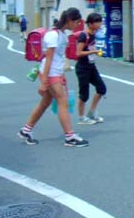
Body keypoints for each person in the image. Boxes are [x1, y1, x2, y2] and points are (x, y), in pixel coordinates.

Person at [17, 8, 89, 147]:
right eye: (77, 22)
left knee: (45, 102)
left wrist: (61, 75)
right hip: (50, 73)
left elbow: (57, 58)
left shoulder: (61, 34)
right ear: (69, 20)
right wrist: (44, 82)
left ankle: (26, 130)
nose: (77, 25)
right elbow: (48, 58)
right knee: (63, 102)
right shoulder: (53, 35)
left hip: (54, 72)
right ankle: (69, 136)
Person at [75, 13, 107, 125]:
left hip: (91, 66)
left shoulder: (95, 34)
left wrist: (96, 52)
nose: (100, 24)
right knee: (84, 94)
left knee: (101, 88)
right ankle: (81, 118)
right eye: (97, 22)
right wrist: (94, 51)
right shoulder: (84, 35)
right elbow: (78, 53)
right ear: (90, 24)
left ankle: (92, 112)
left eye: (100, 21)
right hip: (82, 68)